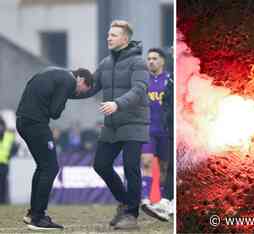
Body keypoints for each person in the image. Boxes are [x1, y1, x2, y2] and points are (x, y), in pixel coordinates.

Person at [72, 20, 149, 229]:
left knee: (131, 167)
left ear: (125, 39)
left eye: (114, 35)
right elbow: (91, 88)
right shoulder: (105, 63)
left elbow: (140, 89)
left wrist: (117, 104)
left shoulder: (139, 62)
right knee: (101, 165)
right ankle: (126, 203)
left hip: (134, 122)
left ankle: (131, 216)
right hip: (112, 125)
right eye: (108, 34)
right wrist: (66, 91)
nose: (109, 38)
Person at [16, 67, 93, 231]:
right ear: (80, 80)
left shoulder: (53, 72)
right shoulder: (69, 81)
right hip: (36, 123)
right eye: (80, 91)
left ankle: (33, 213)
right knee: (51, 168)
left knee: (43, 167)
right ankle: (38, 217)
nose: (77, 93)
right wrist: (64, 97)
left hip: (23, 120)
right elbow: (55, 112)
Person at [142, 62, 174, 222]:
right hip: (148, 129)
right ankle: (146, 199)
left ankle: (161, 203)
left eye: (154, 58)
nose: (151, 61)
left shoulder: (169, 79)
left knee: (164, 168)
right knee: (146, 162)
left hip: (165, 130)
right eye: (149, 58)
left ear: (162, 60)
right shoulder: (143, 80)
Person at [0, 116, 17, 204]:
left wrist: (10, 155)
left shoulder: (8, 135)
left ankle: (3, 200)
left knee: (3, 183)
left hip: (4, 163)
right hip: (4, 163)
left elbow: (15, 147)